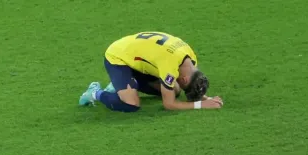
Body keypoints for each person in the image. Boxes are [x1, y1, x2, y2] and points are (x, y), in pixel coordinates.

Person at [78, 32, 223, 112]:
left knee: (175, 90)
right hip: (118, 57)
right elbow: (169, 104)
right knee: (131, 105)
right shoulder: (170, 65)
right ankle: (95, 92)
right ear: (184, 79)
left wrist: (204, 97)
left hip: (138, 57)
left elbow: (185, 84)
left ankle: (122, 83)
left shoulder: (190, 58)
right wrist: (200, 105)